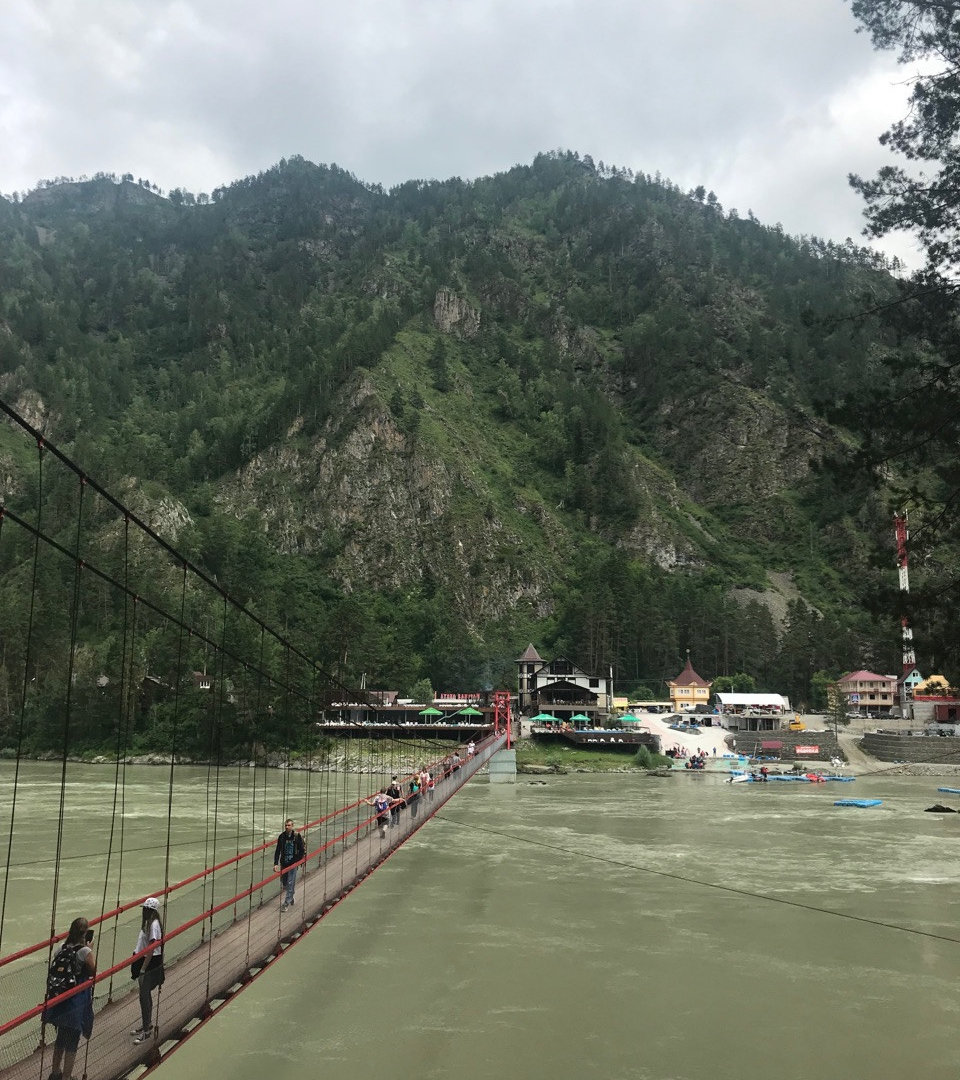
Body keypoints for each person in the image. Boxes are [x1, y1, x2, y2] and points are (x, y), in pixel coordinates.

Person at [43, 916, 96, 1080]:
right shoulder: (85, 951)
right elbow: (93, 971)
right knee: (72, 1039)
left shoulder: (61, 947)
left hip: (60, 999)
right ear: (85, 933)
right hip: (76, 999)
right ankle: (67, 1077)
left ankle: (55, 1073)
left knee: (61, 1037)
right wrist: (90, 949)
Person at [130, 898, 164, 1044]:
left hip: (149, 963)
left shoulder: (153, 925)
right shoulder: (149, 922)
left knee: (144, 997)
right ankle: (147, 1024)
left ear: (150, 910)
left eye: (145, 909)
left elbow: (151, 948)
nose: (143, 911)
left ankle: (146, 1031)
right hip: (143, 960)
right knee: (144, 995)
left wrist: (143, 969)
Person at [273, 819, 306, 911]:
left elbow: (302, 850)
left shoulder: (297, 836)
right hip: (284, 863)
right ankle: (291, 896)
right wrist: (276, 863)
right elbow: (277, 850)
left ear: (292, 826)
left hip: (293, 863)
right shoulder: (281, 837)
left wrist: (297, 861)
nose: (287, 827)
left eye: (289, 825)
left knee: (290, 882)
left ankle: (286, 903)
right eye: (286, 825)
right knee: (284, 883)